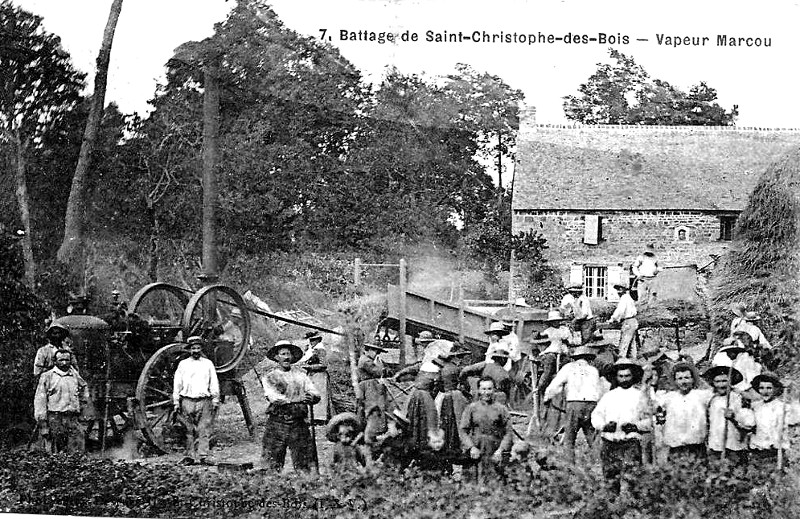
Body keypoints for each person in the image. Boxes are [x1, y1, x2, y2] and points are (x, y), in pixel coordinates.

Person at [591, 359, 652, 493]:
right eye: (621, 376)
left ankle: (633, 508)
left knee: (633, 478)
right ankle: (613, 508)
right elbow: (596, 416)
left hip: (630, 443)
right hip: (610, 443)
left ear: (633, 376)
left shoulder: (640, 396)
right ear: (616, 377)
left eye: (627, 376)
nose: (624, 379)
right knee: (610, 479)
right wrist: (604, 426)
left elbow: (649, 421)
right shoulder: (608, 396)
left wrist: (636, 426)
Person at [260, 340, 321, 472]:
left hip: (299, 423)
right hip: (277, 423)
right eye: (283, 354)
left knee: (304, 460)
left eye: (289, 354)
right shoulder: (270, 377)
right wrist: (298, 398)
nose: (286, 357)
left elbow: (314, 392)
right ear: (276, 357)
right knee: (272, 461)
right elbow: (274, 398)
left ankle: (307, 485)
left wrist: (312, 397)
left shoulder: (301, 376)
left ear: (293, 357)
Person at [543, 346, 604, 463]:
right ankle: (598, 463)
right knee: (592, 436)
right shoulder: (593, 370)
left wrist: (547, 398)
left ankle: (569, 464)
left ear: (575, 358)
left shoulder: (569, 368)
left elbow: (555, 385)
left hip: (574, 404)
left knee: (570, 437)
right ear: (589, 359)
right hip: (591, 405)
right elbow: (599, 390)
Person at [172, 336, 220, 465]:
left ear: (201, 349)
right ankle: (189, 457)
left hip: (204, 400)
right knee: (188, 430)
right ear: (189, 350)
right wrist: (176, 401)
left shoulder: (208, 364)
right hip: (187, 400)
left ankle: (204, 456)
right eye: (193, 348)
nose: (196, 351)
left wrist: (215, 399)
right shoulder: (183, 364)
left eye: (198, 348)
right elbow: (177, 384)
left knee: (203, 429)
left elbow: (213, 382)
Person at [653, 362, 712, 462]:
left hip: (696, 446)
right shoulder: (669, 397)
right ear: (675, 381)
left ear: (693, 379)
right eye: (679, 379)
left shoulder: (702, 395)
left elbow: (716, 395)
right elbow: (653, 406)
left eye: (687, 378)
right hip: (676, 447)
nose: (683, 382)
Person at [33, 349, 89, 454]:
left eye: (67, 360)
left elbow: (84, 387)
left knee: (76, 449)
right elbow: (40, 400)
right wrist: (43, 424)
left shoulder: (74, 375)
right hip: (55, 418)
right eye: (61, 360)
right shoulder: (47, 376)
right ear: (55, 361)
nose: (64, 363)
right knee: (55, 451)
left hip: (72, 417)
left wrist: (82, 404)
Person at [459, 376, 515, 481]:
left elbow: (508, 432)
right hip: (476, 449)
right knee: (473, 482)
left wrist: (500, 450)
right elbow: (463, 430)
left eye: (489, 389)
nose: (486, 392)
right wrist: (471, 447)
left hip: (494, 449)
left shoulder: (501, 409)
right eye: (483, 389)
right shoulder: (471, 408)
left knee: (494, 482)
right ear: (479, 390)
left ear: (494, 390)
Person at [702, 365, 754, 467]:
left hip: (735, 447)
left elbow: (749, 424)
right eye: (717, 382)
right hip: (715, 447)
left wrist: (734, 417)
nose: (721, 385)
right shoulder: (711, 400)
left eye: (724, 381)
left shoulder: (739, 398)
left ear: (731, 382)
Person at [748, 372, 800, 470]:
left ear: (775, 389)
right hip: (758, 450)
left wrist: (794, 395)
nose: (765, 391)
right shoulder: (756, 406)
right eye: (761, 388)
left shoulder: (782, 406)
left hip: (775, 451)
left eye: (769, 388)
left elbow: (796, 418)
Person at [435, 345, 471, 459]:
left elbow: (438, 385)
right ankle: (454, 446)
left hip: (443, 397)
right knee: (456, 421)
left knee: (443, 421)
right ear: (454, 357)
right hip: (455, 397)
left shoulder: (442, 368)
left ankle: (443, 445)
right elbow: (466, 386)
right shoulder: (458, 369)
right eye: (459, 357)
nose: (460, 359)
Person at [357, 343, 392, 446]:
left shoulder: (371, 360)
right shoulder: (366, 360)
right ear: (368, 350)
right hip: (368, 386)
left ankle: (369, 432)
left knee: (373, 407)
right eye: (375, 351)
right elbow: (378, 372)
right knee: (372, 407)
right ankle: (371, 432)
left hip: (370, 385)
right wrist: (384, 369)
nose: (376, 354)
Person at [606, 283, 639, 359]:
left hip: (628, 322)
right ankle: (633, 362)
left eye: (620, 289)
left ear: (624, 290)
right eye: (617, 290)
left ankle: (621, 363)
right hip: (633, 322)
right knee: (632, 346)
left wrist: (612, 319)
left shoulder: (624, 298)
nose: (618, 292)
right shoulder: (629, 298)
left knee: (623, 346)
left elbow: (620, 311)